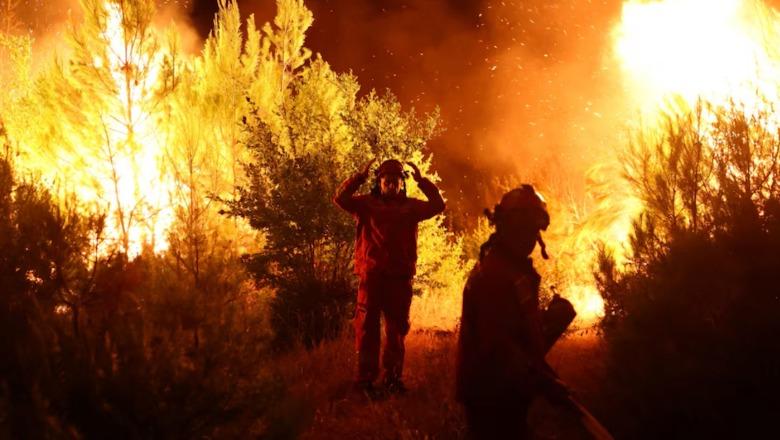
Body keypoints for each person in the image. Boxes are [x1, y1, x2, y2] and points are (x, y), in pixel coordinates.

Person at [456, 184, 570, 439]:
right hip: (490, 395)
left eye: (533, 231)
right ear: (506, 227)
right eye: (524, 230)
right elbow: (498, 348)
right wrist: (545, 383)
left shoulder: (514, 270)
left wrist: (550, 321)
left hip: (507, 391)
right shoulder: (495, 275)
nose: (529, 239)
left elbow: (517, 331)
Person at [334, 158, 445, 393]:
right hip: (372, 278)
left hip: (399, 278)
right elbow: (340, 199)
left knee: (396, 331)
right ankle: (365, 381)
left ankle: (393, 379)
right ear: (379, 181)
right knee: (366, 331)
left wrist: (423, 181)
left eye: (396, 181)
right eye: (387, 180)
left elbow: (438, 205)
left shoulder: (411, 207)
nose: (391, 184)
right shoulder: (366, 204)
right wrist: (358, 178)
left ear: (401, 184)